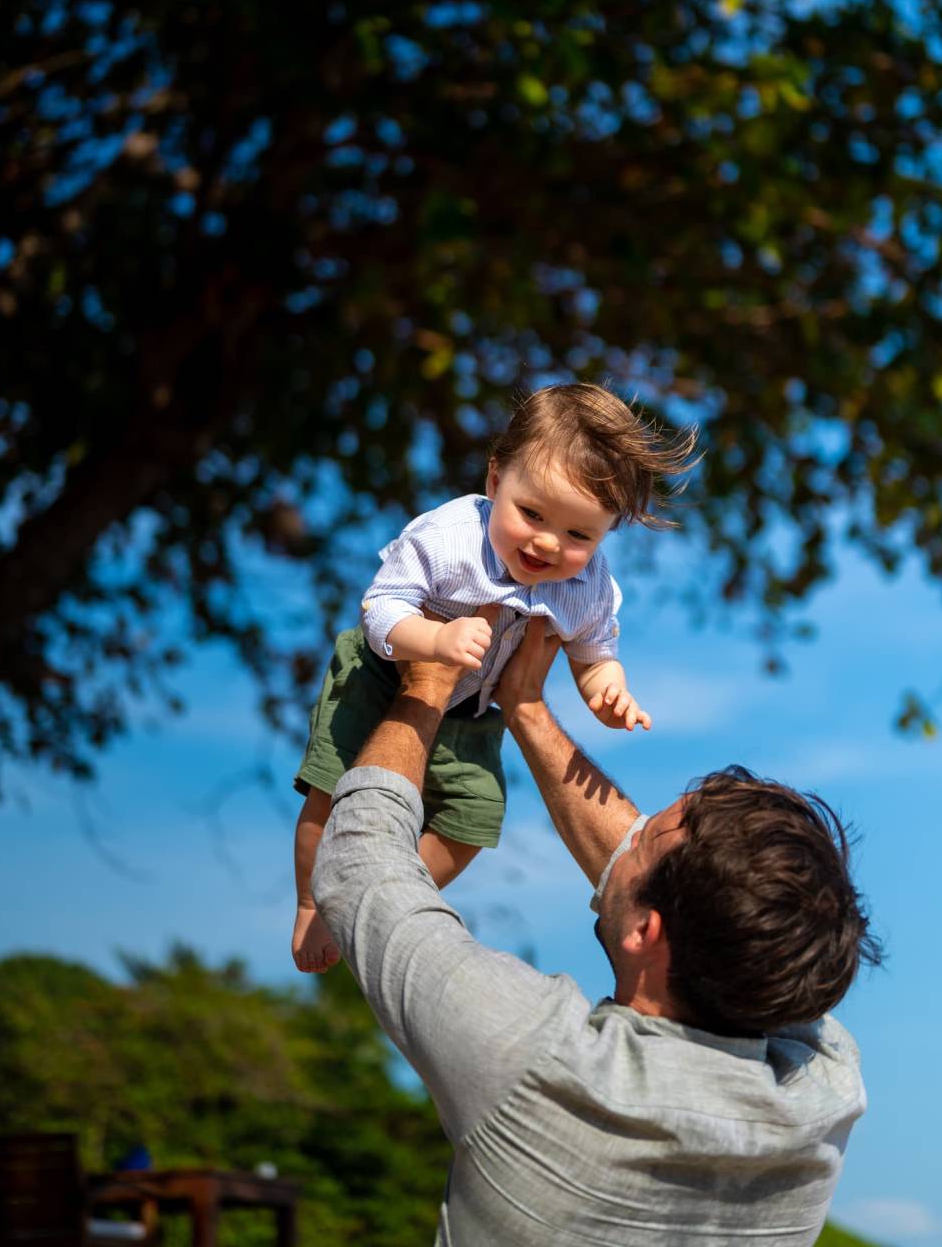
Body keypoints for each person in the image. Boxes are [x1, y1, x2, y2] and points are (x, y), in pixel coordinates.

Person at [312, 611, 881, 1246]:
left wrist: (426, 687)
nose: (626, 839)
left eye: (641, 840)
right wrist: (525, 707)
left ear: (647, 933)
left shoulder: (536, 1060)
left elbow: (362, 867)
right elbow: (734, 917)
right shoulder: (823, 1092)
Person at [291, 382, 696, 972]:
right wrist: (434, 640)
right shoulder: (449, 538)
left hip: (472, 714)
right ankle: (310, 900)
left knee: (473, 819)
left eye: (579, 535)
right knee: (333, 786)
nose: (547, 543)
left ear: (605, 533)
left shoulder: (587, 585)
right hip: (382, 675)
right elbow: (380, 608)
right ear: (495, 479)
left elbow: (593, 653)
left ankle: (373, 899)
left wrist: (607, 692)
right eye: (531, 514)